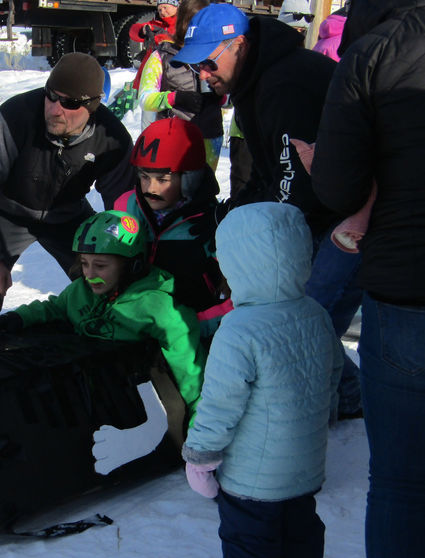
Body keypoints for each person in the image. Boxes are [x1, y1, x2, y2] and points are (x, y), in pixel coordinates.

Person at [172, 3, 363, 420]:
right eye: (196, 67)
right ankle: (348, 398)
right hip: (325, 213)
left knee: (306, 316)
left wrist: (255, 245)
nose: (203, 74)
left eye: (207, 61)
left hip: (353, 217)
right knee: (306, 320)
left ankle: (331, 406)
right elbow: (265, 173)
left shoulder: (283, 83)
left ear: (238, 43)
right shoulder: (254, 83)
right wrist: (228, 219)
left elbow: (295, 188)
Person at [311, 1, 425, 558]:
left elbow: (338, 186)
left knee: (403, 483)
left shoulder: (375, 51)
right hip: (403, 287)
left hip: (405, 294)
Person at [183, 202, 342, 558]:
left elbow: (220, 403)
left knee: (251, 553)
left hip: (250, 484)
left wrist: (201, 457)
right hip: (304, 470)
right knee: (301, 546)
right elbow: (332, 373)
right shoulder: (315, 313)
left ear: (237, 263)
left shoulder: (239, 330)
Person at [0, 53, 135, 335]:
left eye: (70, 103)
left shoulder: (111, 139)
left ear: (92, 106)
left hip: (67, 215)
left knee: (102, 277)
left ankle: (104, 342)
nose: (55, 108)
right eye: (51, 95)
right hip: (9, 212)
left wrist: (117, 256)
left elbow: (124, 209)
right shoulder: (16, 115)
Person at [0, 210, 206, 416]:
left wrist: (198, 412)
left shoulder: (156, 307)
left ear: (132, 265)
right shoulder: (81, 290)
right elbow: (55, 307)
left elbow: (187, 366)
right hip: (91, 388)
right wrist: (20, 317)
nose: (89, 274)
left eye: (100, 266)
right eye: (84, 264)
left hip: (138, 397)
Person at [114, 117, 231, 338]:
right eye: (144, 177)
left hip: (190, 333)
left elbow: (237, 296)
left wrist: (199, 326)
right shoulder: (125, 208)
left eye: (163, 179)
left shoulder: (210, 224)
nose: (150, 188)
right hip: (134, 326)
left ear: (190, 179)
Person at [137, 0, 224, 168]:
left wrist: (220, 95)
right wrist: (175, 98)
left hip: (210, 135)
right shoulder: (162, 56)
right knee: (172, 189)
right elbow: (145, 99)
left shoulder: (216, 52)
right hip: (173, 137)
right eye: (194, 22)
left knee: (204, 189)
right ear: (183, 23)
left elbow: (228, 100)